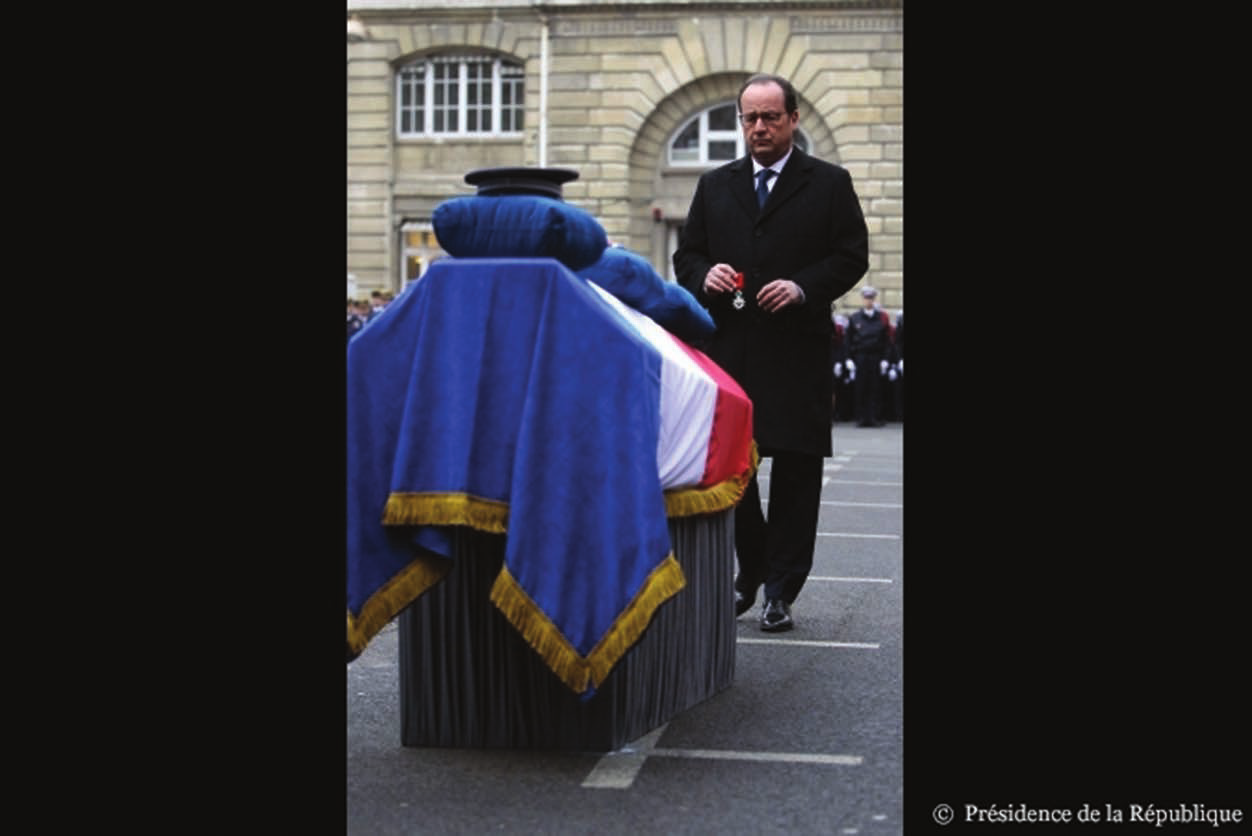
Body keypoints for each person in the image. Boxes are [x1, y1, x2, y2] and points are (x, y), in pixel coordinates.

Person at [673, 73, 869, 632]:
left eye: (770, 118)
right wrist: (701, 273)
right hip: (731, 352)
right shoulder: (715, 185)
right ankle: (751, 570)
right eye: (749, 118)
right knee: (734, 471)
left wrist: (804, 286)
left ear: (793, 120)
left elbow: (851, 256)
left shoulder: (829, 184)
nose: (759, 127)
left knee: (796, 475)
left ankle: (782, 589)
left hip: (796, 353)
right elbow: (688, 256)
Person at [846, 286, 893, 427]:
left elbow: (886, 341)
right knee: (860, 388)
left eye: (871, 298)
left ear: (874, 299)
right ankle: (861, 418)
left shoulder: (881, 318)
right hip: (860, 356)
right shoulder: (855, 318)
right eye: (866, 298)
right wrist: (848, 358)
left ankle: (874, 417)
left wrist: (885, 359)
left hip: (875, 357)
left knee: (875, 388)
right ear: (863, 299)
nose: (868, 301)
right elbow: (848, 340)